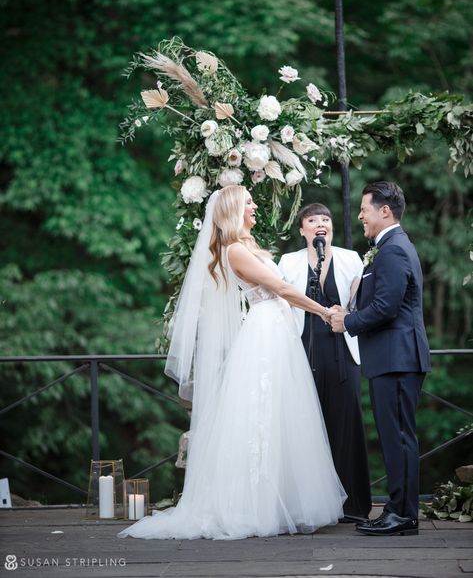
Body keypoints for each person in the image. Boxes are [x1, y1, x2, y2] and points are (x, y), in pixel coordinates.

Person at [119, 185, 346, 541]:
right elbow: (281, 289)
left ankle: (280, 499)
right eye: (249, 203)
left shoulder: (250, 245)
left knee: (282, 414)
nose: (255, 207)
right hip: (264, 333)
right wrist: (325, 311)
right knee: (260, 415)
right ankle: (251, 505)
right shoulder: (235, 250)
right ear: (233, 210)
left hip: (278, 330)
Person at [330, 182, 430, 537]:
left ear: (384, 211)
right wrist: (352, 309)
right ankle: (398, 509)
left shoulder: (393, 249)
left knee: (399, 437)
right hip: (391, 358)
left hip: (398, 358)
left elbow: (388, 307)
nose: (360, 216)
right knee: (394, 436)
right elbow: (384, 300)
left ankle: (402, 514)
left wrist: (348, 323)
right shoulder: (387, 248)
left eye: (364, 209)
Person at [278, 203, 372, 522]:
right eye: (312, 220)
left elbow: (361, 304)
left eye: (326, 219)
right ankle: (309, 505)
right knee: (305, 427)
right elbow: (281, 305)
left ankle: (354, 505)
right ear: (302, 230)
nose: (321, 223)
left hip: (342, 350)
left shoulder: (351, 258)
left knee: (346, 425)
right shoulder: (287, 262)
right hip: (302, 350)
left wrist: (347, 316)